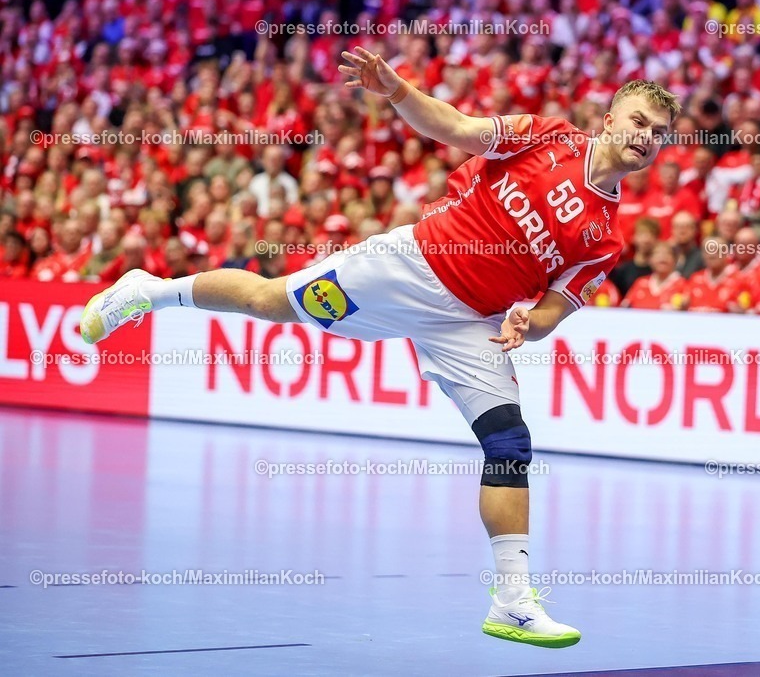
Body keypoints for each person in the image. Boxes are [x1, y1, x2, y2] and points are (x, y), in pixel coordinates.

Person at [79, 46, 680, 649]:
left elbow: (555, 308)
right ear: (609, 119)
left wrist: (531, 320)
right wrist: (397, 92)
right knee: (269, 301)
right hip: (409, 267)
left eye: (658, 133)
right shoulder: (548, 137)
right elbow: (455, 127)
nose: (646, 137)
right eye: (638, 121)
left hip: (471, 324)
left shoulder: (606, 240)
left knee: (509, 444)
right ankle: (152, 291)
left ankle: (513, 602)